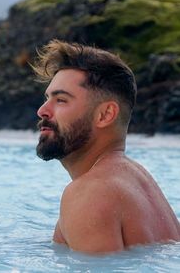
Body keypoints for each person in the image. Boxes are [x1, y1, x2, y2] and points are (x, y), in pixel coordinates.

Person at [33, 39, 180, 254]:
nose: (42, 111)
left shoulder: (90, 193)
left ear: (105, 115)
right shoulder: (136, 179)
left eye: (61, 100)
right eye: (47, 98)